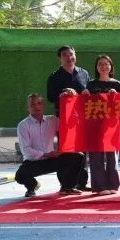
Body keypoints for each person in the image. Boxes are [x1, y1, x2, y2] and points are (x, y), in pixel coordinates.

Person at [15, 94, 86, 197]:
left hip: (52, 160)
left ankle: (67, 187)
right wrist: (46, 154)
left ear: (43, 105)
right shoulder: (23, 125)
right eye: (33, 104)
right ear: (28, 108)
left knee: (78, 156)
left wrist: (70, 99)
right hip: (33, 162)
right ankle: (32, 186)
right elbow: (26, 150)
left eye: (39, 103)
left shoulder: (52, 120)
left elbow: (69, 124)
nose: (36, 106)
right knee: (19, 176)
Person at [46, 45, 89, 190]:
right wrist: (64, 93)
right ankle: (65, 184)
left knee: (83, 150)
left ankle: (82, 182)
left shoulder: (84, 73)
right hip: (64, 120)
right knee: (65, 151)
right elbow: (50, 97)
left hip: (81, 119)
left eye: (71, 54)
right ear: (60, 58)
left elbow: (87, 93)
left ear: (75, 55)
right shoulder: (54, 76)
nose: (69, 57)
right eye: (65, 55)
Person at [85, 55, 120, 195]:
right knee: (96, 155)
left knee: (112, 155)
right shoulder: (91, 84)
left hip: (112, 125)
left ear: (111, 66)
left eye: (106, 64)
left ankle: (113, 184)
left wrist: (117, 96)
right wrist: (84, 95)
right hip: (94, 125)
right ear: (96, 67)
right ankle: (99, 186)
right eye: (100, 64)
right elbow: (85, 104)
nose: (103, 66)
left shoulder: (117, 85)